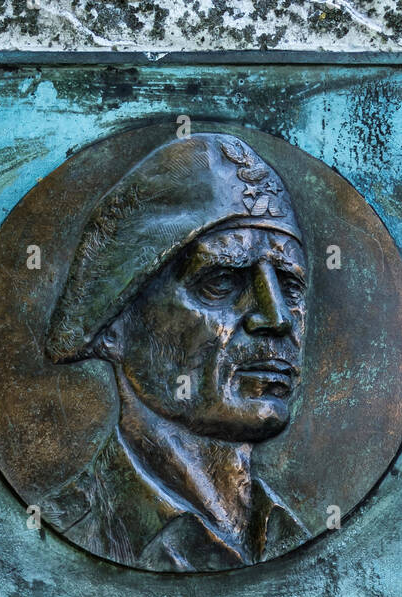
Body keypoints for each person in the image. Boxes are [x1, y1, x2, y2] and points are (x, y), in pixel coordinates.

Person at [44, 133, 310, 571]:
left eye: (291, 285)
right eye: (220, 282)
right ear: (114, 323)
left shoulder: (300, 540)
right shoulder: (64, 536)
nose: (277, 318)